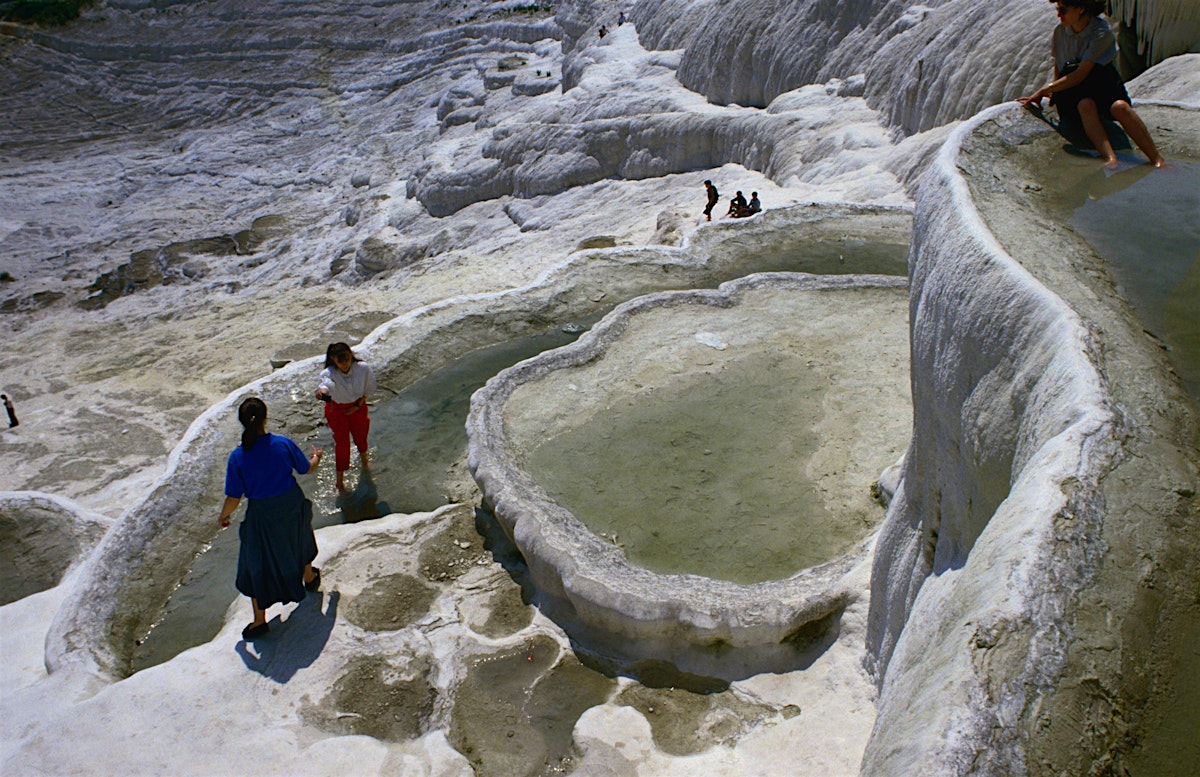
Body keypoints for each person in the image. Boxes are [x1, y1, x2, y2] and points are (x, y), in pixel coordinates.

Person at [218, 397, 323, 640]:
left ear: (243, 423)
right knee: (300, 539)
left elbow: (234, 496)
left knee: (257, 562)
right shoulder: (282, 444)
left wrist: (224, 516)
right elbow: (306, 468)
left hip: (262, 514)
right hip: (290, 503)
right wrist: (316, 456)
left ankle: (259, 621)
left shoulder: (237, 457)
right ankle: (308, 577)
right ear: (266, 418)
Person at [1017, 0, 1165, 168]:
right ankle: (1110, 158)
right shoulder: (1060, 32)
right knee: (1085, 106)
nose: (1059, 15)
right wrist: (1055, 91)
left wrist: (1045, 89)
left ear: (1081, 9)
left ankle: (1157, 159)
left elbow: (1081, 73)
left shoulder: (1101, 33)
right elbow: (1059, 65)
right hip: (1074, 91)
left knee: (1121, 107)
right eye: (1058, 9)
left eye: (1063, 10)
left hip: (1099, 84)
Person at [316, 342, 377, 492]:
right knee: (342, 443)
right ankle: (340, 481)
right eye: (340, 361)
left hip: (357, 405)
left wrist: (357, 406)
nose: (344, 365)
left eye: (347, 360)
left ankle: (364, 460)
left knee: (361, 434)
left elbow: (368, 389)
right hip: (337, 410)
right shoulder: (330, 373)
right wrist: (322, 392)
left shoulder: (362, 368)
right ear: (333, 360)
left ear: (351, 355)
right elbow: (326, 385)